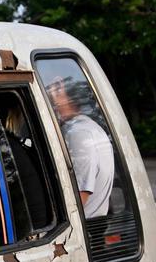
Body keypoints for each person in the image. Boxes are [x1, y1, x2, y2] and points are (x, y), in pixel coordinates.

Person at [46, 77, 114, 219]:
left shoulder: (78, 134)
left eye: (58, 91)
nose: (51, 98)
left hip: (84, 224)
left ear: (70, 99)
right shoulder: (88, 127)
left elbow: (79, 197)